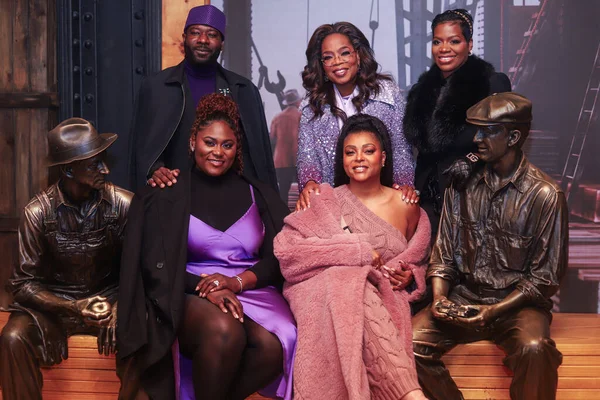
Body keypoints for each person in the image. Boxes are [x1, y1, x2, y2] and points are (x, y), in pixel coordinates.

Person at [117, 94, 296, 400]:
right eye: (209, 142)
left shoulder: (259, 194)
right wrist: (207, 286)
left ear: (236, 148)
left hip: (249, 288)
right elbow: (155, 262)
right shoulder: (168, 193)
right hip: (187, 289)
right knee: (224, 331)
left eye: (227, 145)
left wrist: (236, 282)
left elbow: (279, 256)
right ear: (192, 142)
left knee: (275, 344)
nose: (218, 152)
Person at [412, 93, 567, 400]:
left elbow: (544, 279)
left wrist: (494, 311)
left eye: (487, 131)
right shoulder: (462, 184)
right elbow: (443, 254)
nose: (477, 138)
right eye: (476, 130)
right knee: (406, 343)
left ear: (513, 137)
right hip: (465, 298)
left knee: (535, 349)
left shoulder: (546, 195)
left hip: (517, 307)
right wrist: (440, 298)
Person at [275, 114, 430, 400]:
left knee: (353, 285)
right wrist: (356, 252)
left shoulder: (407, 205)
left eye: (368, 150)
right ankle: (410, 394)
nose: (359, 158)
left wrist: (410, 274)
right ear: (342, 159)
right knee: (347, 279)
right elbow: (288, 252)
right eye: (350, 152)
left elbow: (419, 260)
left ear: (383, 158)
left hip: (385, 299)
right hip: (328, 297)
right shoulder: (323, 200)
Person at [0, 118, 132, 400]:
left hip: (111, 301)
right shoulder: (37, 213)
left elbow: (141, 271)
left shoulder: (123, 204)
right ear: (69, 169)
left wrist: (122, 306)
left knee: (146, 331)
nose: (105, 169)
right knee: (12, 338)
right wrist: (72, 307)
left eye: (103, 160)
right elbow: (23, 284)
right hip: (55, 306)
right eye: (93, 163)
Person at [128, 4, 277, 192]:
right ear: (184, 39)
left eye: (212, 35)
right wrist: (155, 169)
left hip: (230, 197)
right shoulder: (156, 87)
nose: (203, 40)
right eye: (195, 33)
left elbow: (259, 160)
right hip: (174, 197)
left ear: (222, 43)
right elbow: (141, 151)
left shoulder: (243, 90)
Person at [403, 8, 512, 238]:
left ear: (469, 45)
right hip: (427, 203)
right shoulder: (420, 91)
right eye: (437, 41)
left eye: (454, 41)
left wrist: (470, 162)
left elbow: (502, 143)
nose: (444, 49)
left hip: (473, 199)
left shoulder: (491, 84)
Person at [296, 21, 417, 211]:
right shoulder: (312, 105)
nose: (337, 62)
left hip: (382, 201)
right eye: (328, 57)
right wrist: (310, 182)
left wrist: (404, 185)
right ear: (322, 65)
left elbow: (401, 147)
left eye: (344, 53)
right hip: (333, 205)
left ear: (358, 56)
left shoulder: (387, 95)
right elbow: (307, 156)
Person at [270, 89, 302, 204]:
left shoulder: (277, 117)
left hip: (281, 160)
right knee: (303, 191)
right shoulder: (301, 116)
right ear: (298, 102)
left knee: (283, 191)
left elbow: (272, 136)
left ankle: (282, 218)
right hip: (297, 159)